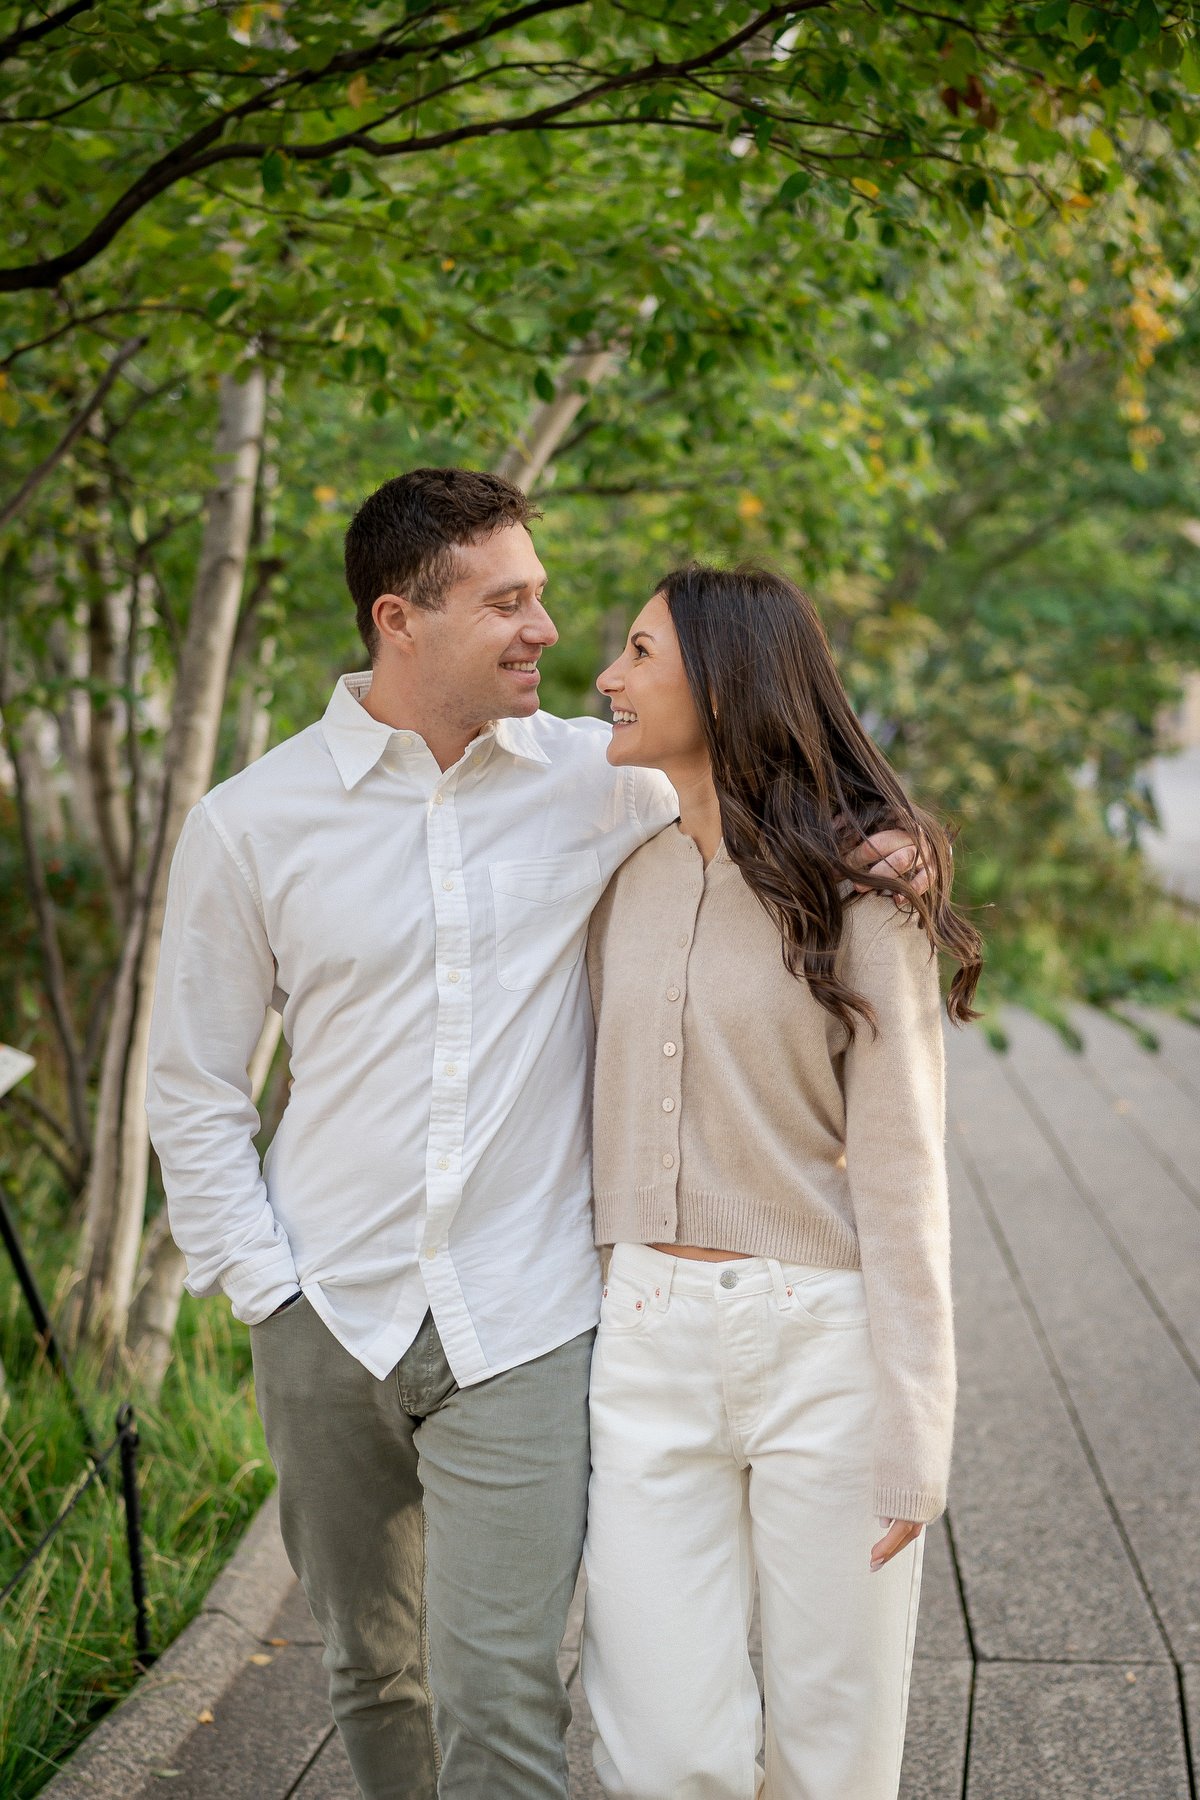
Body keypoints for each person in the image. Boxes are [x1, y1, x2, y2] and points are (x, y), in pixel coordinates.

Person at [145, 471, 930, 1800]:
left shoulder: (597, 777)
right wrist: (263, 1286)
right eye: (508, 602)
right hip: (324, 1306)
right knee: (370, 1673)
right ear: (401, 618)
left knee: (502, 1684)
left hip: (524, 1310)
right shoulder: (249, 826)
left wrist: (885, 845)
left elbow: (753, 787)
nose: (544, 630)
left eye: (547, 597)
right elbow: (196, 1088)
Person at [583, 563, 983, 1800]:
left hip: (821, 1341)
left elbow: (908, 1170)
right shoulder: (626, 880)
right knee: (664, 1750)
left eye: (639, 652)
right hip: (645, 1340)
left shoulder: (863, 891)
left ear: (725, 676)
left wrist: (918, 1424)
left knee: (832, 1751)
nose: (607, 676)